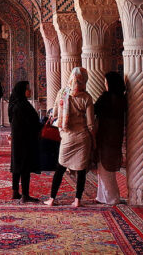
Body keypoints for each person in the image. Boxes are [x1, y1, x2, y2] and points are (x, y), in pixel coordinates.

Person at [44, 67, 95, 207]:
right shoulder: (87, 98)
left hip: (67, 137)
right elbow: (90, 123)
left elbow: (54, 113)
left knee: (60, 169)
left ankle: (52, 199)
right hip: (83, 138)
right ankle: (78, 199)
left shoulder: (62, 93)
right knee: (81, 170)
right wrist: (94, 139)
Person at [94, 71, 126, 206]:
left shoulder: (107, 98)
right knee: (105, 168)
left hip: (105, 135)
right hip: (115, 135)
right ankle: (102, 196)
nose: (104, 85)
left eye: (106, 82)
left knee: (105, 168)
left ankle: (111, 198)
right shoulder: (122, 99)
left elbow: (94, 110)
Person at [7, 80, 40, 202]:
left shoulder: (15, 104)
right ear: (22, 91)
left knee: (16, 165)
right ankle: (25, 195)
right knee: (25, 167)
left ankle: (15, 191)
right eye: (27, 89)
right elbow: (31, 123)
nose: (30, 91)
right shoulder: (22, 106)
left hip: (18, 140)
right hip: (25, 140)